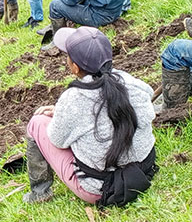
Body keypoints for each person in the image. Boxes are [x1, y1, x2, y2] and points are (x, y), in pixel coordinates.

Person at [22, 27, 157, 206]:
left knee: (36, 123)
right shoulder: (128, 81)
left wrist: (62, 115)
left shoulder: (73, 99)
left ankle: (40, 193)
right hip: (144, 169)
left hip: (102, 187)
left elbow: (57, 141)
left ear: (75, 67)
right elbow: (146, 96)